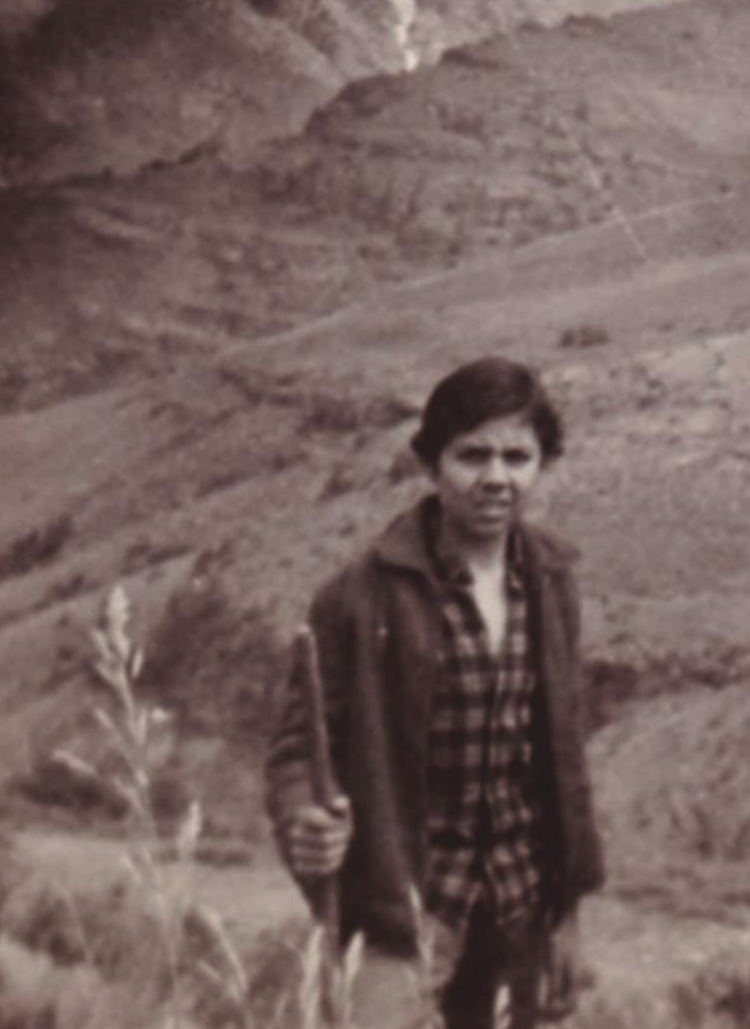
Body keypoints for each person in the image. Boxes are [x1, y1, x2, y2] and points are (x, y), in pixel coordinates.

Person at [265, 357, 604, 1029]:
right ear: (431, 464)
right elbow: (298, 751)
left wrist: (567, 913)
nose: (497, 478)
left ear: (543, 463)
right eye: (471, 456)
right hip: (403, 916)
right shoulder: (358, 597)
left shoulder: (550, 581)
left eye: (518, 456)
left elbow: (560, 766)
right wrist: (303, 815)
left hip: (520, 913)